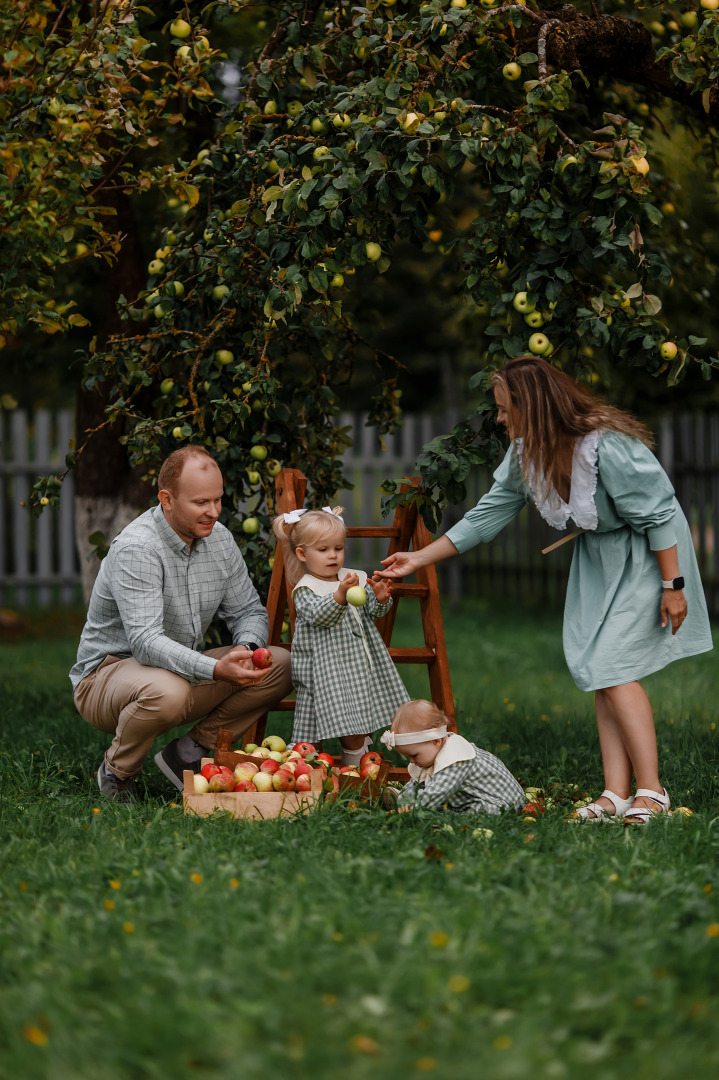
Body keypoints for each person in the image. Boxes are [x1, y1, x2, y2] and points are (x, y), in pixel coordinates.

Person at [376, 356, 713, 824]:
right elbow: (486, 515)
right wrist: (419, 558)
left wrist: (672, 585)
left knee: (613, 665)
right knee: (599, 667)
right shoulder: (525, 454)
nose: (498, 417)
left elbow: (658, 514)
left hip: (648, 555)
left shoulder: (606, 447)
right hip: (599, 559)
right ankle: (615, 793)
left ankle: (652, 791)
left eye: (504, 407)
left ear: (531, 405)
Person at [70, 446, 292, 802]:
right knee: (167, 690)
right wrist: (217, 668)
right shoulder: (138, 547)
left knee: (280, 664)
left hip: (177, 674)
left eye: (218, 500)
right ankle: (117, 772)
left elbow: (250, 610)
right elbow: (145, 642)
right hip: (105, 680)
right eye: (201, 502)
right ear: (167, 499)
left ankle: (188, 753)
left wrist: (246, 649)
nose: (214, 512)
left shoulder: (219, 539)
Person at [272, 506, 409, 766]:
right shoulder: (306, 588)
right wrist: (339, 596)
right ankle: (306, 776)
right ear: (302, 554)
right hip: (321, 674)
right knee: (310, 734)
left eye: (338, 548)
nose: (332, 555)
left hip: (355, 671)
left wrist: (379, 598)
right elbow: (320, 616)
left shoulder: (353, 577)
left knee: (355, 730)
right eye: (323, 550)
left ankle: (355, 774)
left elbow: (370, 611)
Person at [381, 700, 525, 814]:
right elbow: (417, 782)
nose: (411, 761)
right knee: (436, 801)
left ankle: (435, 812)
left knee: (474, 810)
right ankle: (401, 799)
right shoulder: (430, 755)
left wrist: (412, 809)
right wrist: (404, 799)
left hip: (500, 801)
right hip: (470, 798)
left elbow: (436, 793)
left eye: (414, 755)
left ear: (435, 741)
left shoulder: (455, 758)